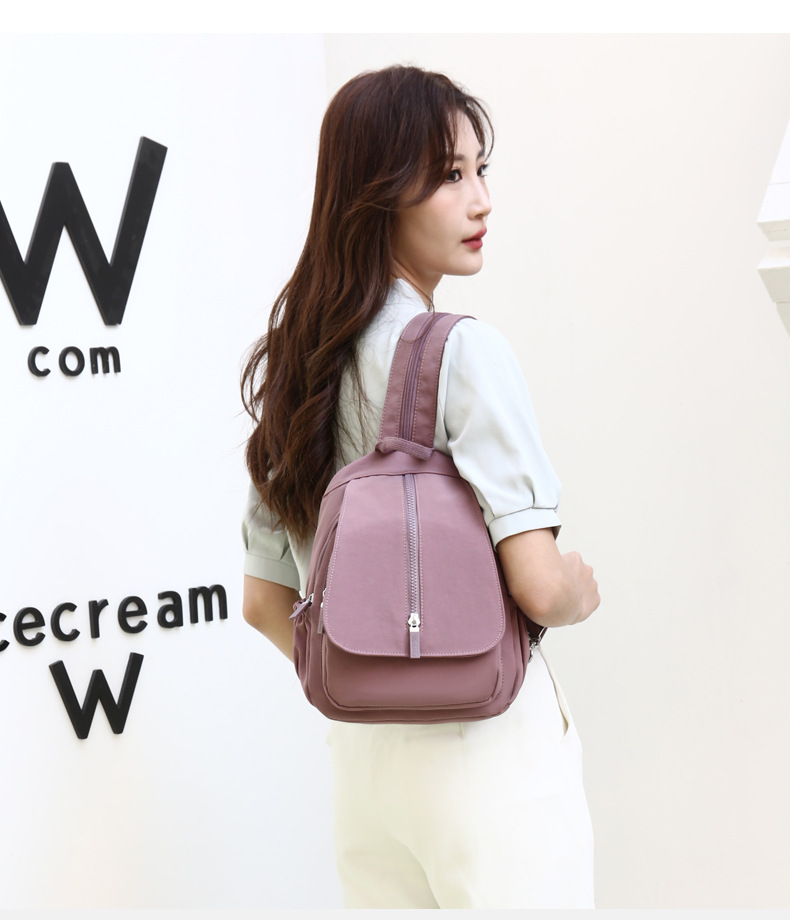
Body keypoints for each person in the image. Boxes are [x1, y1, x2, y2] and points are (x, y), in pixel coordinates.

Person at [240, 65, 600, 909]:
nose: (481, 201)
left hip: (366, 773)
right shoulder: (462, 351)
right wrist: (579, 590)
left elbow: (263, 602)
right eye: (449, 176)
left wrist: (373, 673)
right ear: (378, 192)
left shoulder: (298, 364)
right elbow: (539, 588)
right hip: (486, 753)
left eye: (480, 170)